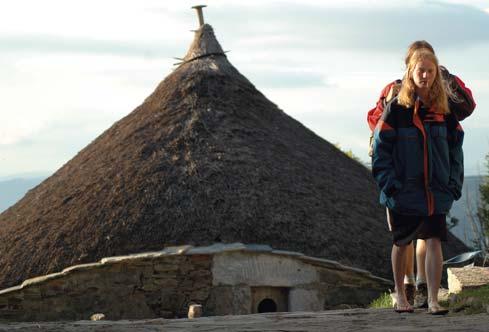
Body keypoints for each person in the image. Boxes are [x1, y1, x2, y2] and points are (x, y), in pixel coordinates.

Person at [367, 40, 476, 308]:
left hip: (434, 188)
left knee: (432, 238)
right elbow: (378, 137)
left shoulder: (443, 107)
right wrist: (390, 184)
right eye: (420, 69)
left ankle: (430, 297)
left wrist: (453, 184)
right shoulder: (393, 98)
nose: (426, 74)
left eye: (431, 69)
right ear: (409, 69)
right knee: (403, 239)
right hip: (402, 186)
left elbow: (458, 141)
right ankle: (403, 293)